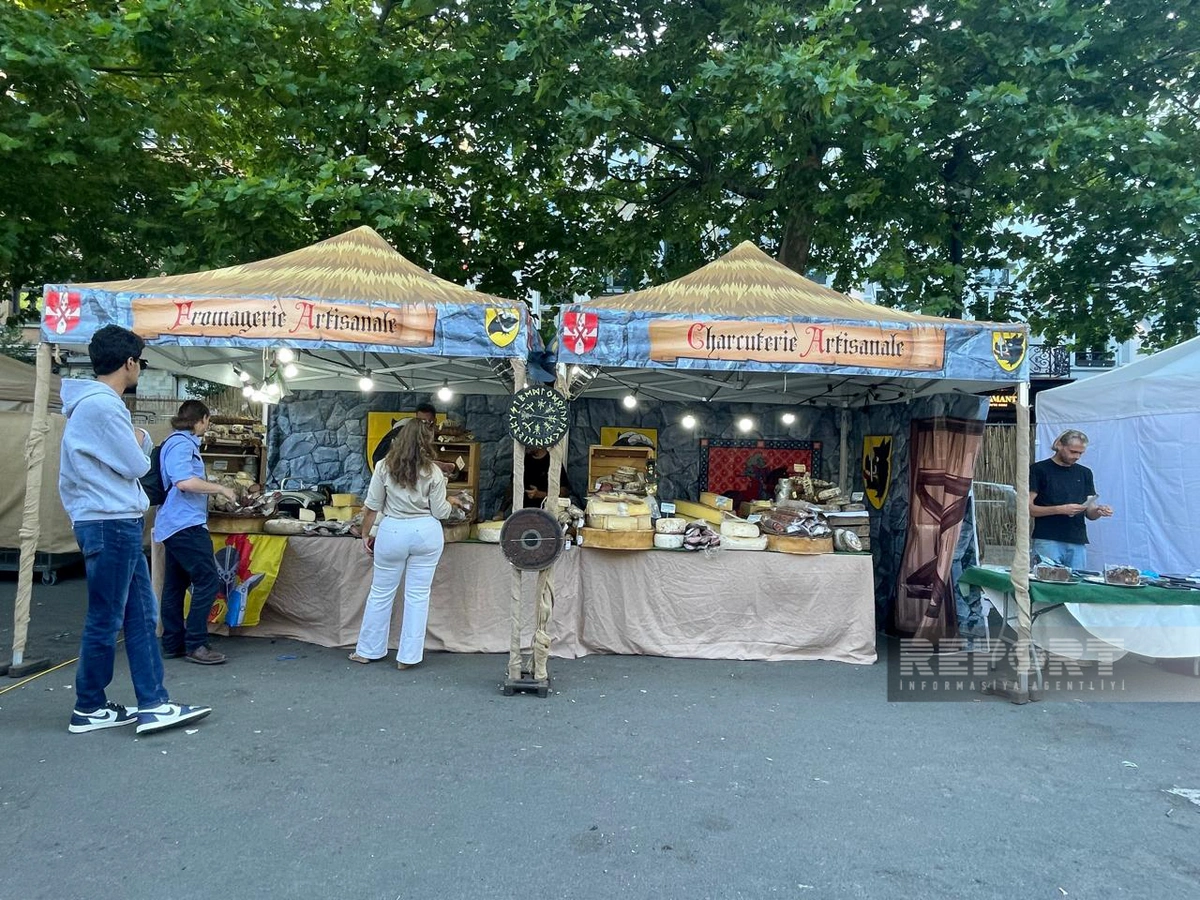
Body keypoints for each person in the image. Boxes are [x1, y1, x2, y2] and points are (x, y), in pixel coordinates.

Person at [59, 324, 211, 735]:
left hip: (107, 520)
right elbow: (137, 465)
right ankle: (95, 704)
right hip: (110, 521)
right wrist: (142, 438)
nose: (140, 368)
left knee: (138, 615)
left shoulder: (90, 404)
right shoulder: (103, 406)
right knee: (109, 618)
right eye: (140, 361)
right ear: (129, 363)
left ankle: (147, 702)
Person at [350, 418, 458, 669]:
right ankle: (408, 657)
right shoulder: (434, 472)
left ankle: (367, 650)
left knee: (380, 593)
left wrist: (365, 534)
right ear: (426, 442)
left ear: (398, 439)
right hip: (426, 533)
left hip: (393, 530)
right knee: (418, 596)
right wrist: (450, 502)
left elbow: (372, 507)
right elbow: (440, 512)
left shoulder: (383, 467)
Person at [153, 400, 239, 665]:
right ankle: (196, 644)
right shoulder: (181, 444)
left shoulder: (176, 442)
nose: (207, 425)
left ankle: (173, 643)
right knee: (207, 580)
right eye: (207, 420)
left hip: (174, 523)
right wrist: (220, 489)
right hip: (185, 524)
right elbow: (184, 482)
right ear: (201, 419)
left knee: (175, 584)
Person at [1029, 429, 1114, 570]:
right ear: (1059, 445)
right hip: (1047, 538)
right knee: (1047, 580)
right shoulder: (1039, 469)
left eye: (1080, 453)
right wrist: (1060, 509)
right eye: (1073, 452)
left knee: (1077, 582)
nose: (1077, 457)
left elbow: (1090, 512)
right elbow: (1028, 508)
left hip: (1077, 540)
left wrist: (1099, 510)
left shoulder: (1085, 473)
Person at [370, 402, 436, 468]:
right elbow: (378, 456)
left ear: (434, 421)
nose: (423, 425)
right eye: (420, 421)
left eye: (428, 422)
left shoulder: (438, 436)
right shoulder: (399, 433)